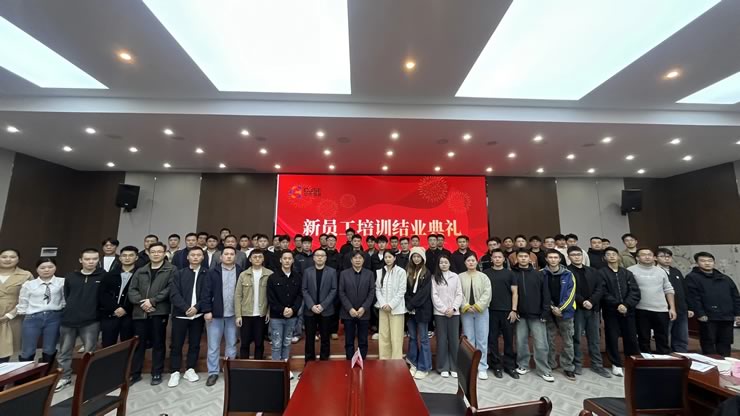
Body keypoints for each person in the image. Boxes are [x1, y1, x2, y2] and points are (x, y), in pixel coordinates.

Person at [129, 242, 177, 385]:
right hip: (140, 312)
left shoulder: (171, 269)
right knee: (139, 344)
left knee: (158, 343)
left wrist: (152, 301)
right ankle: (135, 373)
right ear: (148, 254)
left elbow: (170, 288)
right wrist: (143, 303)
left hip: (159, 311)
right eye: (153, 252)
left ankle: (156, 372)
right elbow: (132, 289)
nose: (156, 254)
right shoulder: (140, 270)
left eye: (159, 251)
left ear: (164, 253)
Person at [57, 248, 105, 391]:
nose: (91, 262)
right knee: (64, 351)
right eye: (87, 259)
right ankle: (64, 377)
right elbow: (67, 295)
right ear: (81, 260)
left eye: (94, 259)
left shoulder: (104, 276)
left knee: (89, 352)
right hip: (69, 319)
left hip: (91, 320)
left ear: (98, 260)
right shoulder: (71, 276)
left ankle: (85, 378)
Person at [566, 246, 611, 378]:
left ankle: (597, 365)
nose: (577, 257)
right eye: (573, 255)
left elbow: (600, 288)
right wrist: (583, 301)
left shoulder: (592, 271)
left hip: (593, 308)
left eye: (579, 254)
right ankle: (577, 364)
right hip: (577, 309)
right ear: (569, 257)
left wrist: (591, 301)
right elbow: (569, 290)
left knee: (594, 338)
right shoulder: (567, 272)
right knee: (576, 338)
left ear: (583, 256)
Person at [168, 247, 209, 388]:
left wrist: (197, 307)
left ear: (202, 257)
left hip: (198, 315)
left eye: (198, 255)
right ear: (187, 257)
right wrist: (186, 308)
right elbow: (174, 294)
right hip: (180, 315)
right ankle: (174, 371)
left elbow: (207, 294)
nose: (196, 257)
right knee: (176, 344)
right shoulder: (179, 273)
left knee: (195, 343)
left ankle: (190, 369)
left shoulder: (207, 274)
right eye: (193, 255)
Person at [686, 252, 740, 357]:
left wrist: (738, 314)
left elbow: (735, 296)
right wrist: (700, 313)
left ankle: (725, 364)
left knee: (725, 343)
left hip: (726, 316)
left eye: (710, 261)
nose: (707, 263)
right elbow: (693, 297)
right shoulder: (692, 277)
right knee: (709, 343)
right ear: (696, 263)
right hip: (708, 317)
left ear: (714, 262)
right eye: (703, 261)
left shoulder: (725, 278)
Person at [203, 246, 243, 386]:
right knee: (213, 345)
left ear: (235, 257)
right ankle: (213, 372)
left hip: (233, 314)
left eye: (232, 254)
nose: (229, 256)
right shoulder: (212, 272)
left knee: (231, 343)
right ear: (221, 257)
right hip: (215, 314)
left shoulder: (240, 271)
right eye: (226, 254)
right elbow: (205, 293)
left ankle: (228, 370)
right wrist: (207, 310)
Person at [512, 249, 553, 382]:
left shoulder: (539, 274)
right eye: (520, 256)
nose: (523, 258)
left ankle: (543, 369)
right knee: (521, 342)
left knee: (541, 343)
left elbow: (546, 294)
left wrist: (545, 311)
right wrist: (514, 310)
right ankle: (523, 365)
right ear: (516, 259)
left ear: (530, 259)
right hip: (520, 314)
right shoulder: (512, 274)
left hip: (537, 314)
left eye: (525, 256)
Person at [600, 247, 640, 377]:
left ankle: (631, 361)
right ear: (605, 258)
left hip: (628, 310)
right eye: (608, 254)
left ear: (618, 257)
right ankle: (616, 364)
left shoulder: (627, 273)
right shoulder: (601, 273)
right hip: (611, 310)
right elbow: (603, 292)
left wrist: (626, 304)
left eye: (614, 254)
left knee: (631, 337)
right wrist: (617, 304)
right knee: (612, 337)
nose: (612, 256)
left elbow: (635, 291)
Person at [628, 248, 676, 354]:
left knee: (662, 338)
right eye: (643, 255)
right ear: (637, 258)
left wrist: (672, 308)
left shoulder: (661, 271)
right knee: (643, 338)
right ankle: (646, 360)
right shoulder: (630, 270)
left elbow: (668, 289)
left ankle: (664, 359)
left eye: (649, 254)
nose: (647, 257)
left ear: (654, 257)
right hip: (640, 309)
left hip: (661, 309)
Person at [17, 257, 63, 364]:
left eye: (50, 267)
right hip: (33, 318)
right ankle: (26, 373)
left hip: (54, 317)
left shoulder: (62, 282)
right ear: (37, 269)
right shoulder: (29, 284)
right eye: (42, 268)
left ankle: (46, 372)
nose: (46, 270)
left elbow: (64, 299)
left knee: (49, 348)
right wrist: (22, 313)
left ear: (55, 268)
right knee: (28, 350)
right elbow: (23, 302)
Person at [483, 249, 518, 379]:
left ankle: (510, 366)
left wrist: (514, 310)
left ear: (504, 259)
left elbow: (515, 293)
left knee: (509, 339)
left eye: (499, 257)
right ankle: (496, 365)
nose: (497, 259)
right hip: (490, 310)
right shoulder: (485, 273)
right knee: (492, 339)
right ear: (491, 259)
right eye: (495, 257)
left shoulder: (510, 274)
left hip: (507, 311)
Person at [542, 249, 577, 381]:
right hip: (549, 312)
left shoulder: (568, 274)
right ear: (546, 259)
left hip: (565, 312)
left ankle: (568, 367)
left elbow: (571, 294)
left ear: (560, 259)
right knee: (549, 340)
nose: (553, 260)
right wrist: (552, 307)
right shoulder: (541, 273)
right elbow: (541, 293)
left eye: (555, 257)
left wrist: (560, 308)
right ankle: (550, 364)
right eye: (550, 257)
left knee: (568, 341)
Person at [267, 251, 302, 379]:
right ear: (280, 260)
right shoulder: (272, 277)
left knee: (287, 343)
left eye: (289, 258)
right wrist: (283, 310)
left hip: (292, 316)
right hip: (277, 317)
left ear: (292, 261)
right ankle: (276, 369)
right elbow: (271, 298)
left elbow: (299, 296)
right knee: (276, 344)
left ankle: (286, 367)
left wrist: (293, 309)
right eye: (285, 258)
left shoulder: (297, 277)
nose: (287, 261)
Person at [459, 253, 492, 380]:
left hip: (481, 312)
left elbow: (487, 293)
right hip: (466, 311)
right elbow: (458, 293)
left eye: (473, 260)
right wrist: (466, 306)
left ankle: (482, 367)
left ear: (477, 262)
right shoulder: (460, 277)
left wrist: (477, 306)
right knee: (469, 340)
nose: (471, 262)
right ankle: (470, 366)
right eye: (468, 260)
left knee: (482, 339)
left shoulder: (483, 277)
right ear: (465, 263)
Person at [235, 249, 272, 359]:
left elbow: (272, 297)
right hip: (246, 313)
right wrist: (238, 315)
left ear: (263, 259)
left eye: (260, 257)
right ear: (250, 259)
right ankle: (244, 365)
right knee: (245, 343)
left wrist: (268, 312)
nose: (257, 259)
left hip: (261, 314)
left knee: (259, 342)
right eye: (254, 257)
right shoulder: (243, 275)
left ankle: (258, 365)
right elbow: (238, 296)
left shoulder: (269, 274)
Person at [99, 245, 138, 347]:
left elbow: (140, 294)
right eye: (124, 255)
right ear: (120, 258)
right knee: (107, 345)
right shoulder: (109, 275)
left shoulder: (140, 275)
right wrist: (115, 308)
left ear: (136, 257)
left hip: (130, 315)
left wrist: (125, 309)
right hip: (111, 314)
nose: (127, 258)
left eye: (131, 255)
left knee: (127, 345)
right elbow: (103, 294)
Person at [302, 249, 337, 361]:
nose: (320, 257)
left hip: (326, 310)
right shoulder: (307, 271)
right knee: (309, 337)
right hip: (310, 310)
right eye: (317, 255)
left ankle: (324, 360)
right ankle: (309, 361)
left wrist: (323, 305)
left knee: (325, 337)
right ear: (313, 258)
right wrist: (312, 305)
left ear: (326, 258)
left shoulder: (332, 272)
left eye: (322, 255)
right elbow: (304, 289)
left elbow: (333, 290)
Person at [432, 254, 463, 378]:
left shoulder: (455, 276)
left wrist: (453, 308)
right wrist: (444, 309)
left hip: (454, 313)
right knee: (442, 340)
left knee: (454, 340)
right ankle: (443, 366)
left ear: (450, 263)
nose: (443, 264)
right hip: (440, 313)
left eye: (446, 262)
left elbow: (459, 294)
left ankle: (455, 367)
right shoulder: (435, 277)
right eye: (441, 262)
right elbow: (434, 295)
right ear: (438, 264)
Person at [339, 251, 375, 360]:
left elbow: (371, 292)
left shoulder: (369, 274)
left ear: (363, 260)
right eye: (355, 258)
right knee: (349, 340)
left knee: (363, 340)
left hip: (364, 312)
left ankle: (362, 359)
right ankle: (349, 360)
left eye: (360, 258)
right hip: (348, 312)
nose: (358, 260)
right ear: (351, 260)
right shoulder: (344, 274)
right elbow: (341, 292)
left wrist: (364, 308)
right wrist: (349, 308)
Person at [656, 248, 692, 353]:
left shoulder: (676, 271)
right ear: (655, 258)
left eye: (668, 257)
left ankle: (681, 354)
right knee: (664, 334)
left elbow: (684, 290)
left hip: (681, 308)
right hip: (664, 308)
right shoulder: (655, 272)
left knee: (681, 334)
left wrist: (689, 307)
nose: (666, 259)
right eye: (662, 256)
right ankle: (665, 355)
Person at [0, 249, 33, 364]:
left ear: (18, 259)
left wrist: (10, 315)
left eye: (12, 257)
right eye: (4, 257)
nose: (8, 259)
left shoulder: (25, 275)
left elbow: (30, 297)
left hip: (12, 317)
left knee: (5, 349)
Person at [405, 247, 433, 379]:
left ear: (423, 258)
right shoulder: (408, 271)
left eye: (418, 257)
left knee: (423, 339)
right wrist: (408, 305)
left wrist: (411, 304)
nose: (416, 259)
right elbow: (405, 290)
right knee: (412, 337)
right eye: (414, 256)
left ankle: (424, 367)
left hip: (422, 309)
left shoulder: (427, 272)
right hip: (410, 311)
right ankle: (413, 363)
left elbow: (424, 293)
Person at [375, 251, 406, 360]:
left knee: (396, 336)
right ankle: (384, 358)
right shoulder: (380, 271)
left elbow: (402, 290)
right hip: (383, 308)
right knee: (384, 335)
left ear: (394, 258)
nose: (387, 259)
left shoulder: (401, 272)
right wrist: (383, 304)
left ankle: (396, 360)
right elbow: (377, 289)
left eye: (390, 257)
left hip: (396, 309)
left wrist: (391, 305)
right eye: (386, 257)